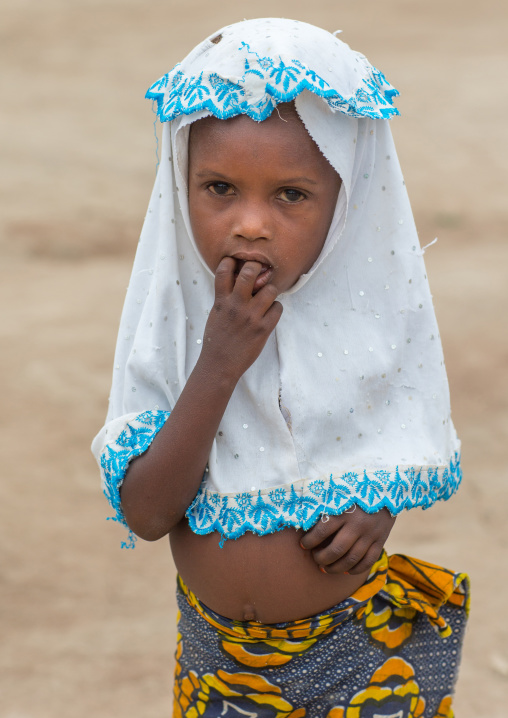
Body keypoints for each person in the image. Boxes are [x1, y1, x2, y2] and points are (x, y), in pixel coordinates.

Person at [92, 18, 469, 717]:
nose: (251, 224)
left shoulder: (374, 316)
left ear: (349, 202)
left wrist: (379, 507)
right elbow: (147, 512)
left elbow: (400, 434)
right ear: (182, 188)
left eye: (291, 195)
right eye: (219, 189)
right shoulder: (174, 317)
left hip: (357, 659)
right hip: (219, 674)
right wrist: (219, 364)